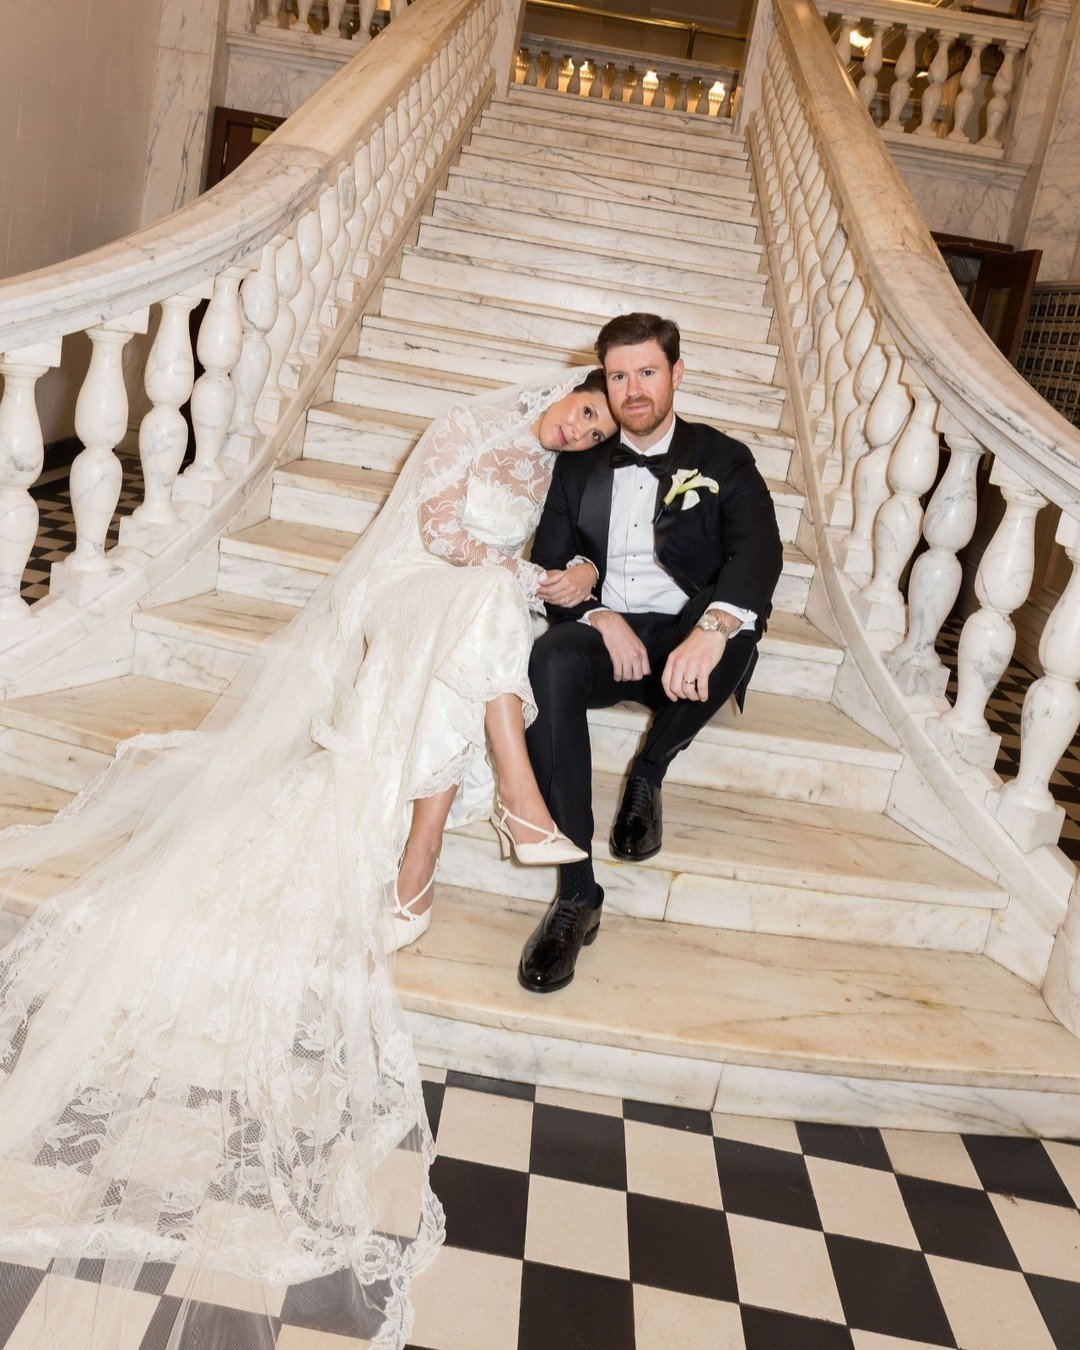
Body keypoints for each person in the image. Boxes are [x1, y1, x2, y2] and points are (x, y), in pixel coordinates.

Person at [0, 367, 615, 1349]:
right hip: (415, 591)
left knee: (487, 631)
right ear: (573, 383)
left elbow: (562, 564)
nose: (584, 434)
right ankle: (504, 807)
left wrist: (570, 581)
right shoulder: (462, 424)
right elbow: (441, 536)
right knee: (487, 611)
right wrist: (529, 579)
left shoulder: (568, 477)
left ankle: (454, 830)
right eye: (586, 412)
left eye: (597, 432)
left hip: (474, 616)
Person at [521, 313, 785, 994]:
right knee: (550, 660)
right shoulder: (579, 463)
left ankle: (650, 769)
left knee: (739, 625)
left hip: (684, 634)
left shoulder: (722, 457)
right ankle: (577, 896)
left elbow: (759, 550)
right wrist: (599, 612)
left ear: (676, 374)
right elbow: (550, 562)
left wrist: (713, 625)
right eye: (618, 376)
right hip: (616, 639)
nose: (632, 389)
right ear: (603, 381)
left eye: (647, 372)